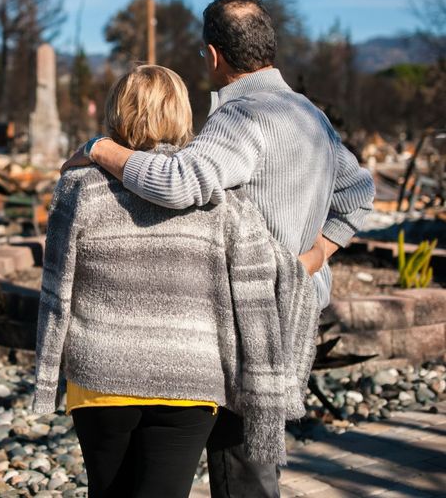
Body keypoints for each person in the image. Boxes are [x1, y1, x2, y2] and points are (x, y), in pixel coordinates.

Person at [62, 0, 376, 498]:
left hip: (249, 316)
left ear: (212, 55)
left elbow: (177, 182)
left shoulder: (242, 117)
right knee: (256, 464)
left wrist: (99, 148)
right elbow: (359, 195)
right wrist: (315, 258)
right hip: (297, 311)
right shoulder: (309, 116)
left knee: (240, 471)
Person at [34, 65, 323, 498]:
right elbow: (264, 275)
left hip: (101, 375)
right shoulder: (217, 199)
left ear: (116, 112)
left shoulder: (80, 186)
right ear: (183, 115)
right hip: (190, 380)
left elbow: (57, 290)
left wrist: (46, 376)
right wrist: (318, 254)